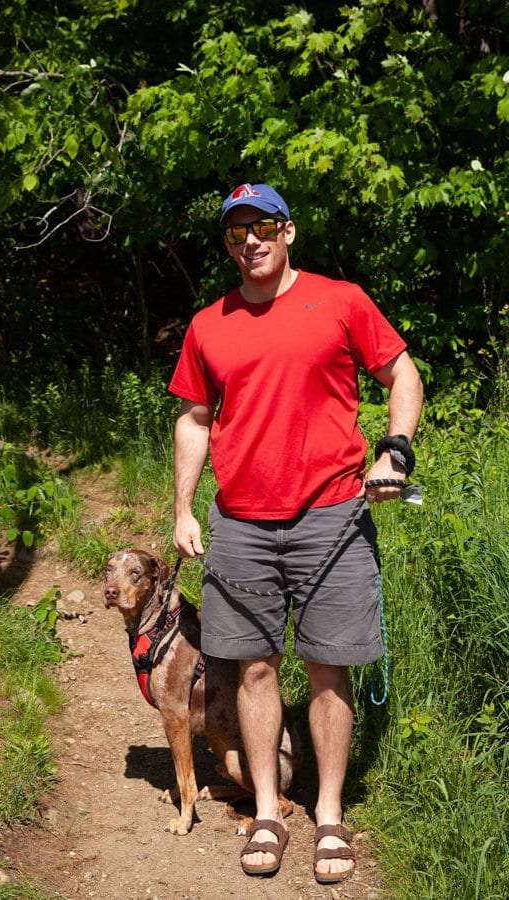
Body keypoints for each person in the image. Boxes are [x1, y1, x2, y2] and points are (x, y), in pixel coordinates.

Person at [168, 183, 423, 884]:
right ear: (227, 243)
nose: (249, 240)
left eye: (262, 227)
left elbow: (402, 372)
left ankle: (331, 814)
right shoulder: (207, 324)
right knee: (251, 667)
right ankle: (271, 811)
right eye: (235, 232)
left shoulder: (340, 301)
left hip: (332, 518)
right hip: (242, 525)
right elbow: (193, 418)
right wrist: (185, 509)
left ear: (288, 232)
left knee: (326, 668)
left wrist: (395, 450)